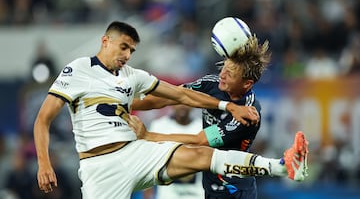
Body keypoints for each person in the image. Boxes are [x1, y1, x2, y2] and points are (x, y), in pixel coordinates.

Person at [33, 21, 308, 199]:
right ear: (105, 41)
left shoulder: (250, 112)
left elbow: (182, 103)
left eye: (132, 50)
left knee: (204, 154)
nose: (128, 55)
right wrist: (44, 162)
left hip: (222, 184)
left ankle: (283, 166)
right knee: (204, 155)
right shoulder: (77, 69)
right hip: (99, 167)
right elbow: (43, 120)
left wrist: (149, 137)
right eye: (124, 47)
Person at [131, 34, 274, 199]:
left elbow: (200, 140)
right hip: (209, 186)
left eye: (230, 73)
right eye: (224, 68)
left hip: (235, 190)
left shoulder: (249, 113)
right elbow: (169, 97)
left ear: (246, 83)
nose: (222, 75)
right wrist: (124, 103)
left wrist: (149, 136)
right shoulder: (210, 84)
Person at [145, 105, 205, 199]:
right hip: (168, 194)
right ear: (171, 104)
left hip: (198, 193)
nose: (182, 106)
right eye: (178, 102)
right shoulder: (159, 126)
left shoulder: (202, 127)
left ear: (192, 105)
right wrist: (148, 193)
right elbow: (149, 162)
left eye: (185, 102)